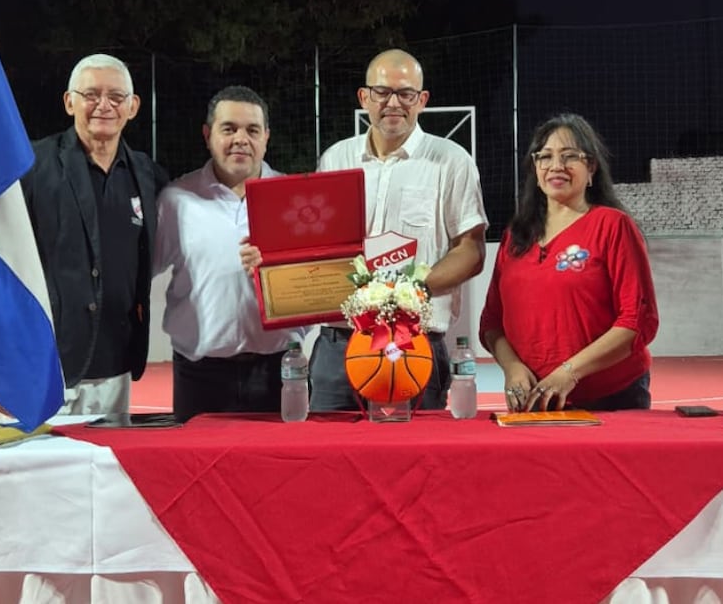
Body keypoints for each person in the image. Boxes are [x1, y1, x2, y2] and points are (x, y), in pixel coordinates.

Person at [308, 48, 489, 411]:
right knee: (326, 462)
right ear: (364, 97)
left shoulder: (451, 160)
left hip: (416, 343)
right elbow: (316, 247)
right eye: (382, 92)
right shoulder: (334, 159)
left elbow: (471, 250)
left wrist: (410, 291)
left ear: (421, 100)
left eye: (405, 94)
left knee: (418, 463)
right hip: (339, 345)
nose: (393, 103)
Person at [479, 113, 659, 412]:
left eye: (569, 156)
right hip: (535, 400)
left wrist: (569, 373)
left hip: (610, 398)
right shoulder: (516, 236)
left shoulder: (612, 226)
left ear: (591, 169)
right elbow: (492, 322)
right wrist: (512, 368)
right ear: (535, 170)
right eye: (545, 157)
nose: (556, 166)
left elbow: (638, 321)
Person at [20, 53, 168, 415]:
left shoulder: (148, 175)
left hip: (117, 365)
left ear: (133, 107)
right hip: (43, 367)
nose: (104, 105)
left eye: (116, 97)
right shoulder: (31, 168)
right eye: (91, 94)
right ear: (69, 102)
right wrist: (0, 362)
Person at [154, 85, 303, 422]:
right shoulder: (176, 200)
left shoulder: (294, 199)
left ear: (266, 137)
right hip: (199, 374)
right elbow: (137, 273)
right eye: (229, 129)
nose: (241, 139)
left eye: (252, 130)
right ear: (207, 135)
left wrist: (280, 271)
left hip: (278, 370)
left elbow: (318, 283)